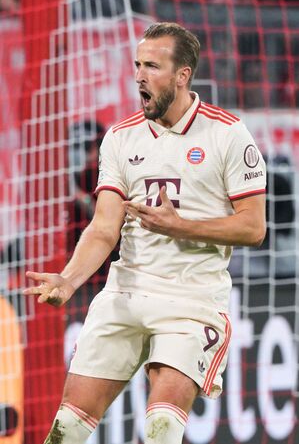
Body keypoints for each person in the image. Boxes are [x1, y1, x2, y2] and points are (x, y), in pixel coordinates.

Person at [23, 22, 266, 444]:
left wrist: (180, 226)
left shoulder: (227, 134)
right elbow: (103, 228)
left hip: (191, 302)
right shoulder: (120, 137)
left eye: (152, 66)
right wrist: (68, 278)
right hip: (126, 293)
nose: (139, 75)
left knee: (161, 429)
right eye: (137, 65)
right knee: (66, 430)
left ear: (182, 75)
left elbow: (253, 226)